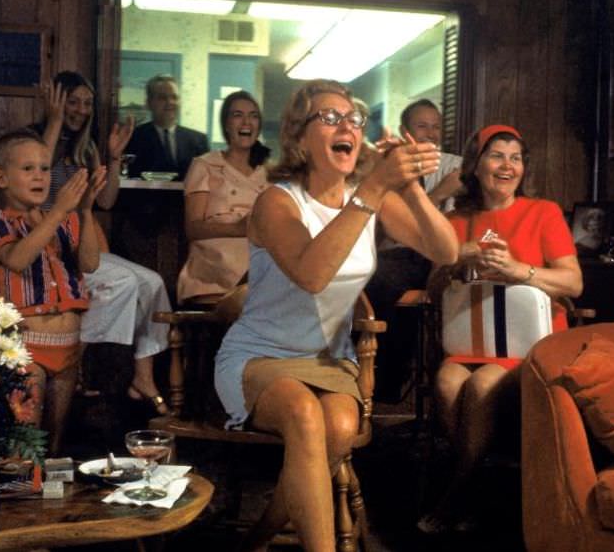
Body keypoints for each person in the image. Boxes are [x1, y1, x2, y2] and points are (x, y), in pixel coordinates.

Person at [213, 79, 459, 551]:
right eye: (328, 117)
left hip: (330, 359)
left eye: (352, 118)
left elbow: (445, 250)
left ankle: (258, 536)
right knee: (305, 417)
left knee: (340, 428)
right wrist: (373, 189)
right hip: (259, 356)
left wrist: (408, 188)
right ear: (299, 137)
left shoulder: (370, 197)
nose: (345, 125)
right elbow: (311, 273)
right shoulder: (277, 201)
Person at [419, 124, 582, 534]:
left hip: (528, 343)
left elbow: (573, 283)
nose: (507, 165)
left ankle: (458, 493)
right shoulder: (456, 220)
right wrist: (458, 258)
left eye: (516, 157)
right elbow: (432, 289)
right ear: (475, 165)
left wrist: (519, 271)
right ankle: (477, 484)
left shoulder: (543, 212)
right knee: (446, 382)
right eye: (496, 155)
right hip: (470, 337)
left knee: (481, 386)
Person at [36, 71, 172, 413]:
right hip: (48, 251)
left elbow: (107, 201)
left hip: (81, 247)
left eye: (86, 103)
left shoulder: (86, 149)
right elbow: (37, 181)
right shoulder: (34, 141)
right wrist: (53, 122)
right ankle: (73, 362)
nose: (80, 110)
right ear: (56, 101)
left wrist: (112, 159)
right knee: (123, 282)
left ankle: (143, 375)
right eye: (73, 101)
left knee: (153, 283)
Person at [0, 129, 107, 456]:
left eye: (45, 169)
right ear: (0, 178)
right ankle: (20, 493)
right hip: (27, 346)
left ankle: (48, 498)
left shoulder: (63, 220)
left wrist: (86, 212)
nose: (39, 176)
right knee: (25, 440)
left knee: (54, 441)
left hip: (67, 345)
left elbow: (90, 263)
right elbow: (18, 259)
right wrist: (61, 211)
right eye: (28, 169)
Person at [365, 98, 463, 402]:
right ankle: (372, 377)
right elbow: (391, 224)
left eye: (436, 127)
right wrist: (438, 194)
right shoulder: (387, 169)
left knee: (382, 278)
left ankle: (383, 385)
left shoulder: (456, 166)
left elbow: (440, 236)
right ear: (405, 131)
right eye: (422, 126)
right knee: (368, 276)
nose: (431, 133)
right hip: (391, 251)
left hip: (438, 257)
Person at [178, 90, 271, 303]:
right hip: (214, 264)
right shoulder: (204, 165)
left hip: (258, 255)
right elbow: (192, 228)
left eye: (253, 116)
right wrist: (237, 228)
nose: (246, 122)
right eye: (238, 115)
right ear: (226, 124)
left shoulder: (270, 173)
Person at [126, 74, 209, 179]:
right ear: (148, 103)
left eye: (174, 97)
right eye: (162, 98)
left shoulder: (199, 140)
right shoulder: (133, 137)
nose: (170, 102)